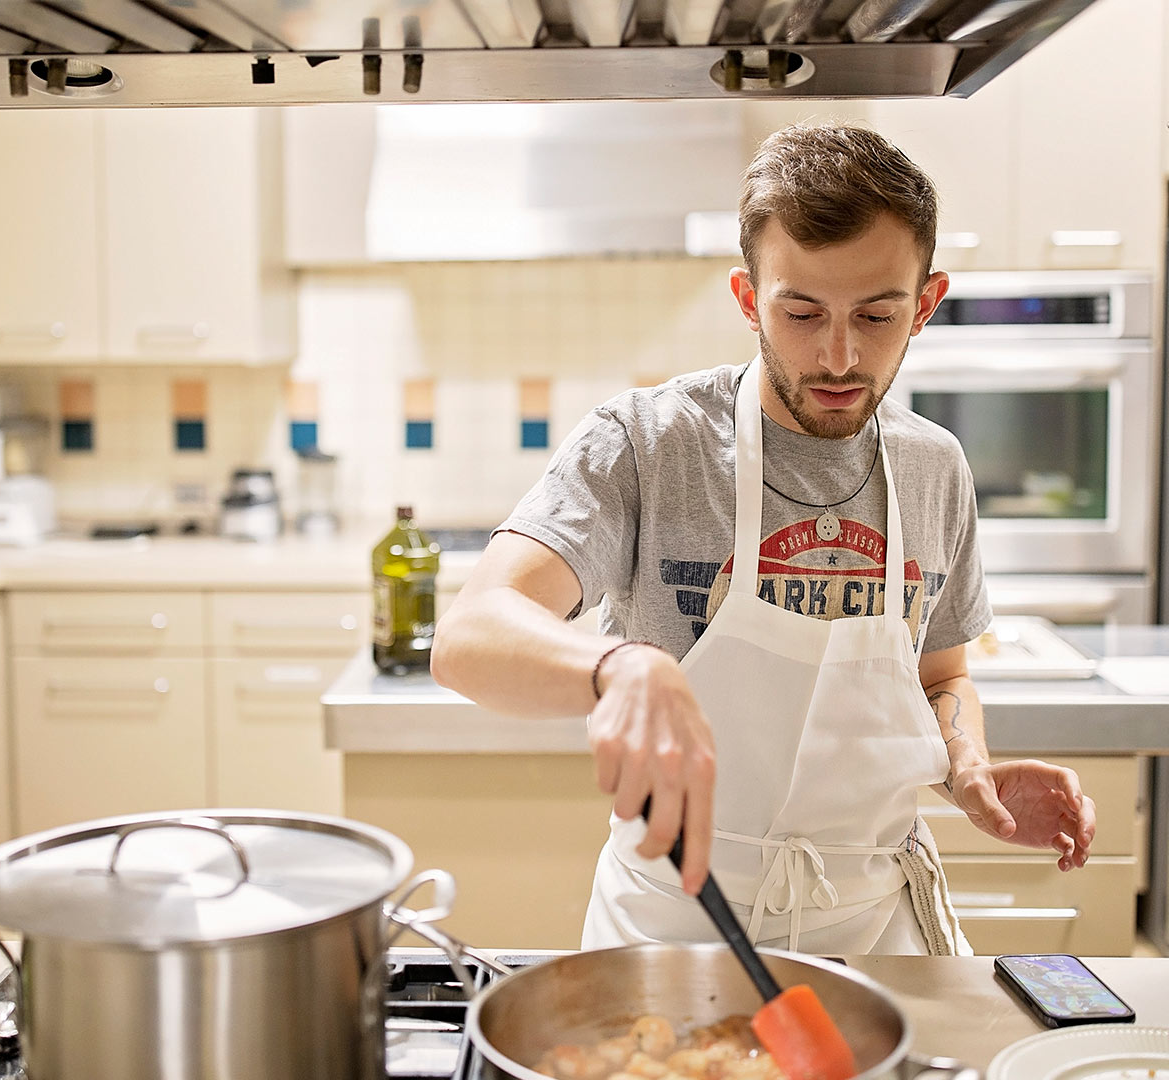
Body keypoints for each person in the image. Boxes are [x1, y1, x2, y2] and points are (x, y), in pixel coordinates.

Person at [433, 124, 1096, 955]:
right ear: (749, 300)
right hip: (678, 928)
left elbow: (942, 673)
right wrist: (618, 666)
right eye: (802, 312)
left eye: (878, 314)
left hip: (876, 930)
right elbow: (468, 635)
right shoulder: (649, 443)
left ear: (926, 303)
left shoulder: (934, 467)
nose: (839, 354)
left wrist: (966, 765)